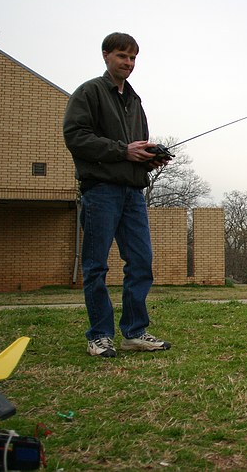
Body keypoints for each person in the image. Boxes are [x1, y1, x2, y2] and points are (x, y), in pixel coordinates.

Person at [63, 32, 172, 358]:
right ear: (106, 56)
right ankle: (99, 336)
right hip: (101, 193)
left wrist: (151, 158)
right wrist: (123, 151)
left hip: (133, 194)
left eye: (133, 58)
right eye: (123, 56)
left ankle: (134, 332)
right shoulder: (89, 93)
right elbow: (76, 136)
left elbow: (135, 149)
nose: (128, 63)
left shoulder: (135, 101)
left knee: (141, 262)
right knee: (95, 266)